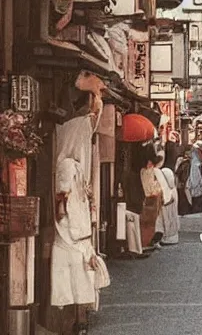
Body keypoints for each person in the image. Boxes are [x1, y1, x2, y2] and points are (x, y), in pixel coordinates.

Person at [51, 93, 105, 332]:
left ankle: (78, 319)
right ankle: (75, 320)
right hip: (72, 226)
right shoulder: (67, 166)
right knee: (75, 277)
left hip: (77, 226)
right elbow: (62, 197)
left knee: (77, 277)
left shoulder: (72, 165)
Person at [157, 152, 180, 246]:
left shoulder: (163, 174)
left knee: (166, 219)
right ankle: (171, 236)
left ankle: (167, 236)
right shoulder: (173, 189)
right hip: (171, 199)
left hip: (167, 199)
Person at [185, 142, 202, 214]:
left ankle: (196, 208)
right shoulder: (197, 158)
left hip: (196, 183)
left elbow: (194, 177)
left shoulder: (195, 160)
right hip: (198, 179)